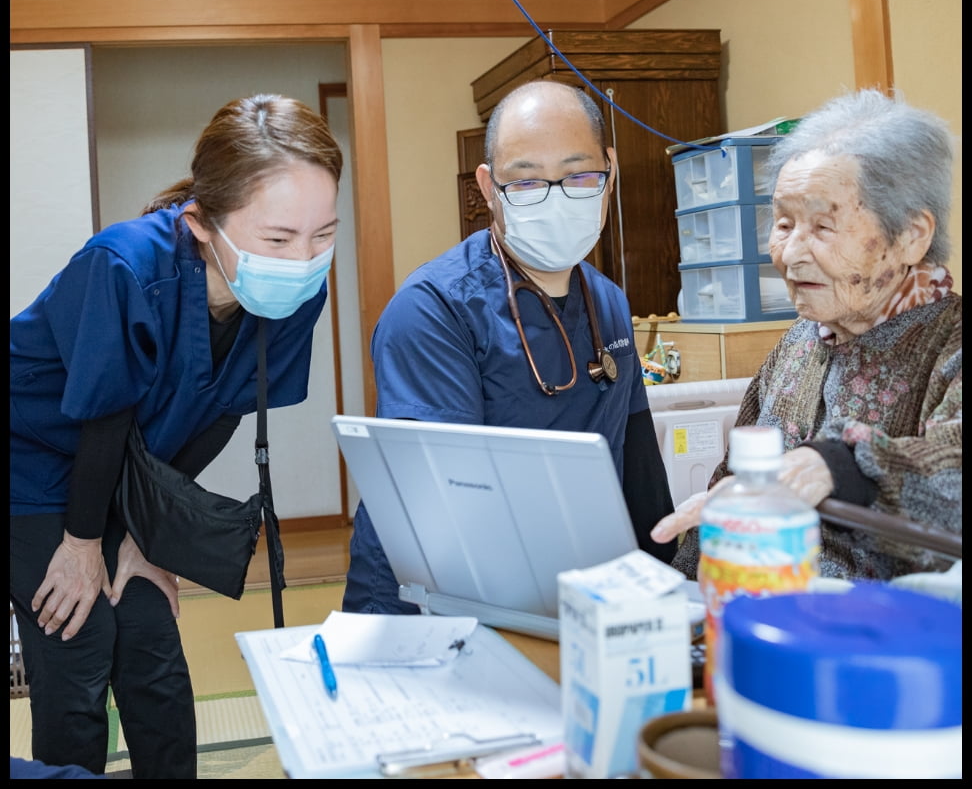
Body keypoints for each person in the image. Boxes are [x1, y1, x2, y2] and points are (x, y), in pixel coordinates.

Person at [10, 94, 344, 779]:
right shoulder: (125, 265)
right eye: (278, 239)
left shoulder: (296, 287)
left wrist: (142, 540)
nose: (305, 259)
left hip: (126, 467)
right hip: (31, 455)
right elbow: (101, 412)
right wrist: (81, 545)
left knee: (150, 636)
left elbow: (220, 412)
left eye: (324, 234)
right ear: (200, 223)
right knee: (78, 635)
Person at [343, 79, 677, 614]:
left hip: (568, 593)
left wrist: (664, 592)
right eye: (526, 183)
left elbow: (638, 467)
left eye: (578, 175)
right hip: (433, 604)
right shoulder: (434, 311)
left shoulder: (608, 303)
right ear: (488, 185)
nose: (556, 198)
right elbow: (451, 506)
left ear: (609, 172)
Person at [651, 88, 961, 581]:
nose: (791, 254)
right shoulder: (798, 343)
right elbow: (731, 491)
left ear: (911, 236)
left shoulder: (952, 344)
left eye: (821, 226)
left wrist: (842, 466)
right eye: (783, 223)